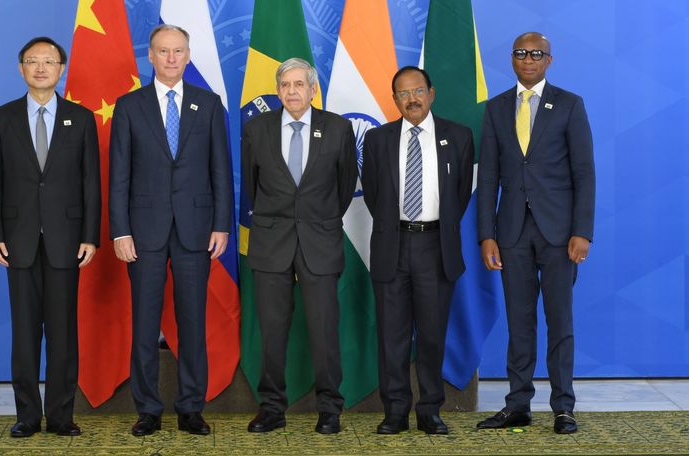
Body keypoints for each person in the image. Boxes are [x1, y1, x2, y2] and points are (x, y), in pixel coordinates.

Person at [109, 24, 233, 437]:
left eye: (178, 51)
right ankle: (147, 409)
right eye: (163, 51)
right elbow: (119, 175)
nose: (171, 58)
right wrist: (120, 231)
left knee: (193, 322)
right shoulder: (129, 106)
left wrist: (221, 225)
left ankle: (191, 408)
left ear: (188, 55)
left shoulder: (208, 104)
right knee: (144, 324)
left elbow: (220, 169)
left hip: (196, 230)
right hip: (142, 232)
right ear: (150, 55)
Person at [475, 32, 595, 435]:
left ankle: (563, 407)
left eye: (537, 54)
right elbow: (488, 175)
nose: (528, 59)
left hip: (560, 234)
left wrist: (582, 231)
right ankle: (518, 405)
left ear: (549, 60)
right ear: (512, 59)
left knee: (560, 322)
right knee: (519, 321)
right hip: (511, 232)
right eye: (521, 53)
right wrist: (486, 235)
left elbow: (584, 172)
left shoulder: (569, 104)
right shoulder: (496, 108)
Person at [0, 36, 101, 438]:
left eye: (48, 61)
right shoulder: (2, 118)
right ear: (21, 69)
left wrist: (90, 235)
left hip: (67, 240)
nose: (40, 68)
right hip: (18, 240)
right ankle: (27, 416)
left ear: (61, 69)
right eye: (32, 61)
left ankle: (62, 416)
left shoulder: (80, 118)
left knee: (63, 333)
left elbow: (90, 182)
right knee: (25, 334)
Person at [241, 58, 358, 435]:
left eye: (299, 84)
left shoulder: (338, 128)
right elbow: (251, 186)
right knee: (272, 331)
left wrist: (316, 219)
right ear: (278, 90)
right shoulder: (256, 128)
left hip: (319, 241)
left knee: (324, 330)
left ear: (313, 89)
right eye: (285, 85)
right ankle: (272, 408)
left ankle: (330, 408)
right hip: (270, 242)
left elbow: (344, 186)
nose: (291, 91)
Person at [360, 66, 473, 436]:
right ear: (395, 100)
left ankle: (430, 410)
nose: (412, 99)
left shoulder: (458, 136)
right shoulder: (377, 139)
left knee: (432, 334)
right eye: (404, 93)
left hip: (436, 246)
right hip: (392, 245)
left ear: (431, 93)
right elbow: (375, 195)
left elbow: (460, 195)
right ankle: (394, 411)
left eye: (418, 91)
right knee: (391, 336)